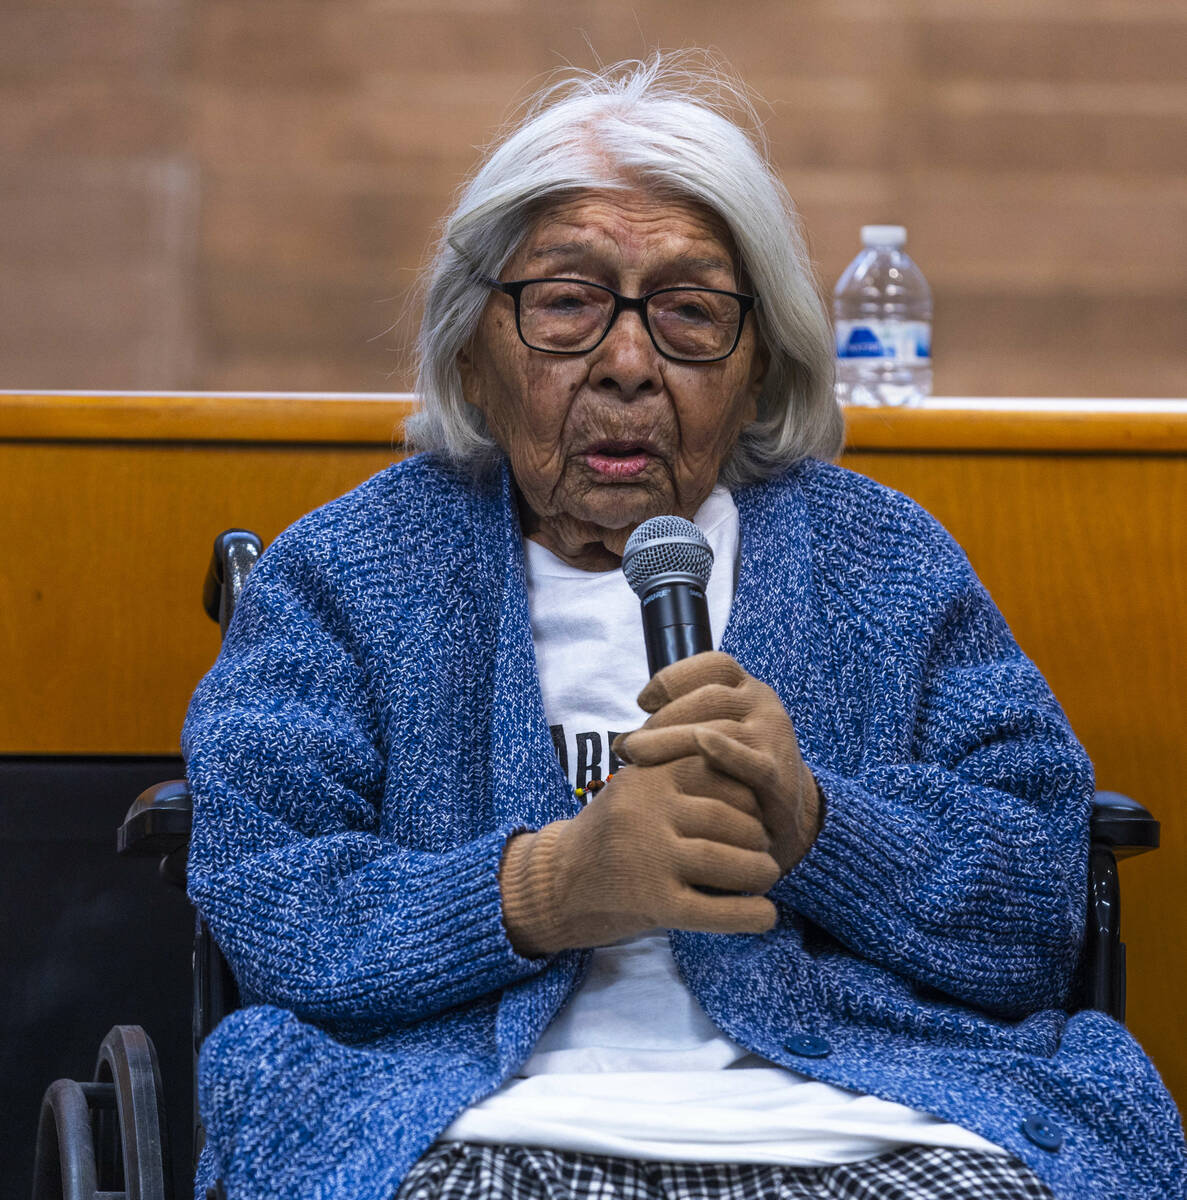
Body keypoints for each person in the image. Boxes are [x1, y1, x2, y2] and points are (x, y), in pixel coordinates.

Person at [182, 57, 1186, 1200]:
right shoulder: (351, 570)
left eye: (689, 314)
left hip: (886, 1115)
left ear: (757, 366)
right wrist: (547, 889)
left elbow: (1035, 911)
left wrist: (815, 826)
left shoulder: (881, 560)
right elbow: (265, 899)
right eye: (564, 304)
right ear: (473, 349)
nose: (625, 364)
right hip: (451, 1115)